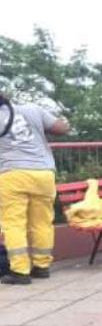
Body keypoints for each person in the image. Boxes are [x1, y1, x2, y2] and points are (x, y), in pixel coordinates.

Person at [0, 93, 70, 284]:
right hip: (43, 173)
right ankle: (42, 266)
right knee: (42, 222)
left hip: (12, 174)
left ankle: (20, 271)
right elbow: (61, 128)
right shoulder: (33, 110)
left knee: (14, 224)